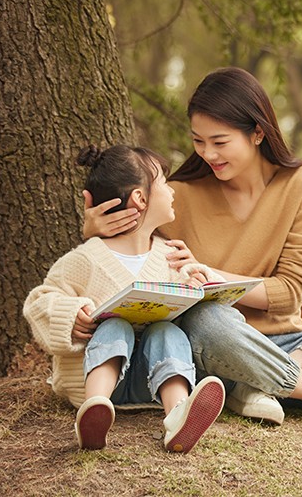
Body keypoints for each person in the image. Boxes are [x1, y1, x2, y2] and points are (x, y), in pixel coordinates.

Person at [83, 67, 302, 436]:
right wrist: (93, 234)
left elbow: (290, 292)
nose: (208, 153)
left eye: (220, 141)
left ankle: (256, 385)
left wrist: (216, 276)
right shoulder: (178, 195)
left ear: (258, 132)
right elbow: (127, 258)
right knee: (207, 318)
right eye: (198, 141)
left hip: (296, 345)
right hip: (213, 347)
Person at [24, 144, 226, 453]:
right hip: (95, 380)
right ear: (141, 198)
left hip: (149, 381)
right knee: (115, 326)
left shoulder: (171, 257)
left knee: (167, 331)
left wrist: (202, 284)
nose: (172, 192)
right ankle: (95, 408)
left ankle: (177, 416)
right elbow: (39, 301)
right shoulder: (87, 258)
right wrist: (71, 314)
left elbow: (194, 314)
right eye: (164, 183)